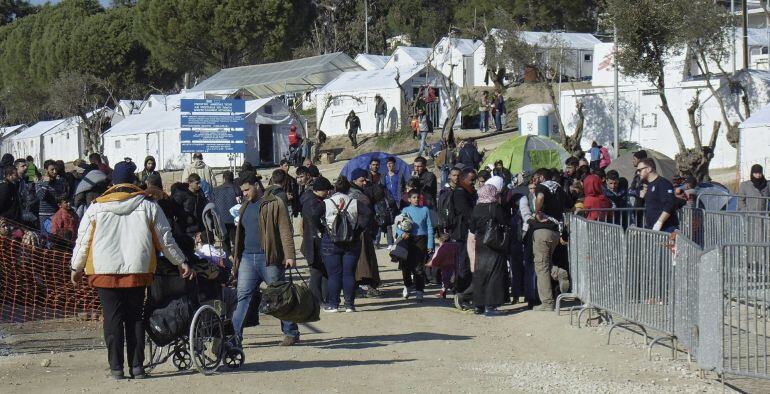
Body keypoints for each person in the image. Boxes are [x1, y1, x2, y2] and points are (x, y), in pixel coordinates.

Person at [70, 161, 193, 380]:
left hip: (103, 272)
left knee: (112, 319)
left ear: (113, 182)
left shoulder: (96, 207)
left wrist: (76, 267)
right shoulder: (148, 206)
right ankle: (137, 367)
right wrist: (181, 261)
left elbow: (83, 242)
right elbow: (166, 239)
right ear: (134, 181)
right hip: (138, 270)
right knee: (134, 318)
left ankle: (116, 368)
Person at [232, 176, 298, 346]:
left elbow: (285, 230)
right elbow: (241, 234)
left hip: (269, 258)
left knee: (279, 296)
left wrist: (289, 255)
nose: (244, 194)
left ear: (256, 185)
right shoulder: (244, 207)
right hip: (247, 258)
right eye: (242, 191)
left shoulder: (274, 203)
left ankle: (291, 332)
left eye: (247, 190)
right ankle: (234, 337)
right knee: (242, 297)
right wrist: (236, 256)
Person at [322, 177, 363, 312]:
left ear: (334, 189)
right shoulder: (354, 202)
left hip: (331, 240)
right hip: (351, 240)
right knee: (349, 273)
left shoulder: (326, 202)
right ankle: (349, 304)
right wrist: (358, 230)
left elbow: (313, 215)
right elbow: (369, 214)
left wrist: (324, 229)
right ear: (348, 189)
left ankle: (334, 304)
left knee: (334, 274)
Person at [468, 184, 510, 315]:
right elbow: (504, 222)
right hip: (494, 243)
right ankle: (490, 306)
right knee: (495, 274)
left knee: (480, 273)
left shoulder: (476, 208)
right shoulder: (495, 207)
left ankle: (478, 305)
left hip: (480, 243)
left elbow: (472, 228)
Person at [529, 168, 565, 311]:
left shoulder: (542, 186)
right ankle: (557, 272)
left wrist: (536, 212)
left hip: (542, 231)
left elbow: (540, 198)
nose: (534, 181)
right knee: (547, 262)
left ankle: (547, 303)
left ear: (542, 177)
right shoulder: (559, 189)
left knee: (541, 266)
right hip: (556, 231)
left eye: (535, 178)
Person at [395, 191, 434, 301]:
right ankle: (408, 285)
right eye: (413, 197)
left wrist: (430, 244)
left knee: (419, 267)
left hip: (421, 239)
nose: (416, 199)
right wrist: (401, 233)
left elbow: (430, 227)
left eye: (418, 197)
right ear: (409, 199)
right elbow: (398, 224)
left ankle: (419, 291)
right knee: (405, 267)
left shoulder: (425, 210)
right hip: (407, 239)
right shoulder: (405, 210)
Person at [300, 177, 333, 306]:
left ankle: (325, 297)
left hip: (312, 242)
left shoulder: (311, 200)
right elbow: (314, 218)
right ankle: (317, 300)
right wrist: (321, 228)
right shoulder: (314, 202)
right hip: (314, 243)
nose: (328, 193)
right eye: (327, 191)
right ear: (320, 191)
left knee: (323, 271)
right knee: (316, 272)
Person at [349, 168, 381, 296]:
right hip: (360, 232)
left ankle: (360, 287)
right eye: (362, 180)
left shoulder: (359, 192)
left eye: (365, 180)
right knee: (364, 261)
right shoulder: (356, 195)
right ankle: (365, 286)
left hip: (360, 231)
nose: (364, 183)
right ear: (354, 180)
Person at [451, 168, 478, 309]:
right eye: (471, 179)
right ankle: (462, 294)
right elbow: (467, 213)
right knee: (465, 265)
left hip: (468, 233)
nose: (473, 182)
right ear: (463, 179)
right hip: (463, 234)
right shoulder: (460, 193)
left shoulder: (469, 192)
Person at [637, 158, 679, 232]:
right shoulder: (648, 185)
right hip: (653, 228)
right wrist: (641, 198)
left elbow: (670, 203)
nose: (638, 173)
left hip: (667, 228)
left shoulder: (663, 183)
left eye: (640, 170)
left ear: (649, 169)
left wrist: (659, 222)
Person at [37, 160, 70, 233]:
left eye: (56, 169)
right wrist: (46, 183)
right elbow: (41, 197)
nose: (55, 172)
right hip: (45, 215)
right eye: (52, 170)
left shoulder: (59, 182)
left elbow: (63, 196)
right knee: (46, 239)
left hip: (57, 214)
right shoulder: (40, 183)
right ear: (46, 171)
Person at [171, 174, 208, 238]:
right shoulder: (182, 194)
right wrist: (186, 217)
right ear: (190, 183)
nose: (199, 185)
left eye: (200, 183)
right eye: (197, 183)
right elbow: (174, 208)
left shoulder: (200, 193)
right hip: (187, 228)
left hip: (200, 227)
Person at [213, 171, 240, 256]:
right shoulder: (236, 188)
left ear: (223, 179)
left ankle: (228, 258)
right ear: (232, 179)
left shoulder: (216, 189)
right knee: (236, 241)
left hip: (221, 219)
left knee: (225, 241)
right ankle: (235, 257)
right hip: (233, 219)